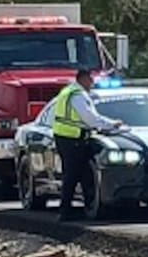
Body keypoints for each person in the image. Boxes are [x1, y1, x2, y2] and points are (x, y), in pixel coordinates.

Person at [52, 68, 123, 221]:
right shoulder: (78, 95)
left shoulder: (68, 91)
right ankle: (65, 212)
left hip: (65, 137)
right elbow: (90, 119)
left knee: (79, 174)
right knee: (73, 175)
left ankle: (83, 209)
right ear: (83, 79)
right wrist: (112, 124)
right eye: (90, 79)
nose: (92, 83)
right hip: (73, 139)